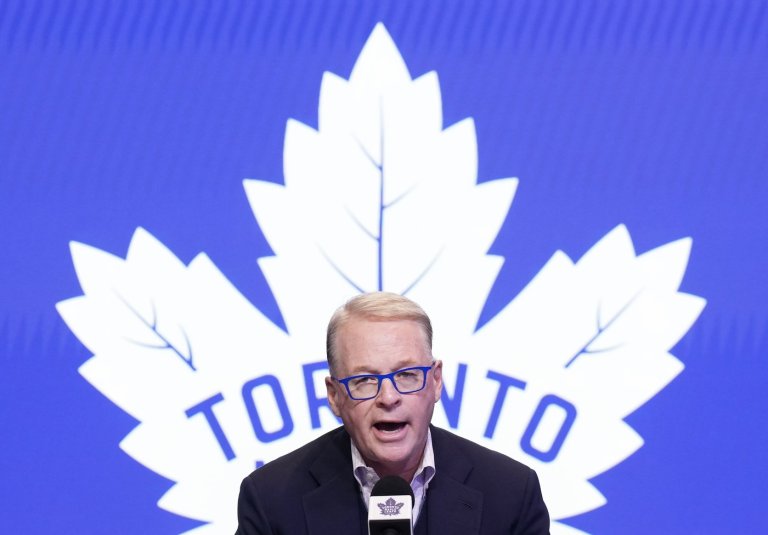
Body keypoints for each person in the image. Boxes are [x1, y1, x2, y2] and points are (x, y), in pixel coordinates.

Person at [236, 292, 550, 534]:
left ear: (435, 381)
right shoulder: (270, 499)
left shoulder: (511, 492)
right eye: (364, 380)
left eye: (407, 375)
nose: (388, 397)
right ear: (334, 396)